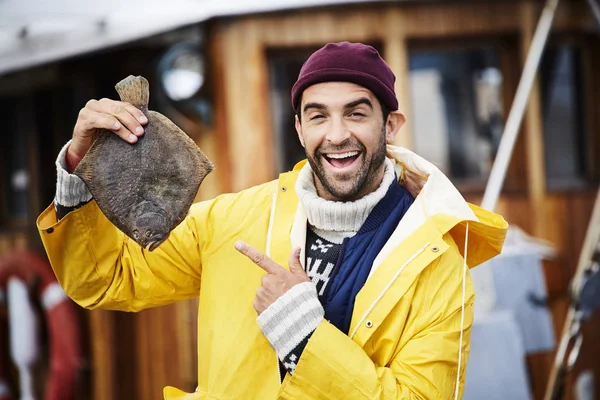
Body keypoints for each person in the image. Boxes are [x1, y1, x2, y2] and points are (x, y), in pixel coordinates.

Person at [37, 42, 507, 399]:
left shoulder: (440, 265)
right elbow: (105, 281)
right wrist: (80, 171)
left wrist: (303, 333)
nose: (337, 135)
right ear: (300, 129)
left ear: (390, 126)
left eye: (356, 114)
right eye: (318, 116)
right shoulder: (233, 220)